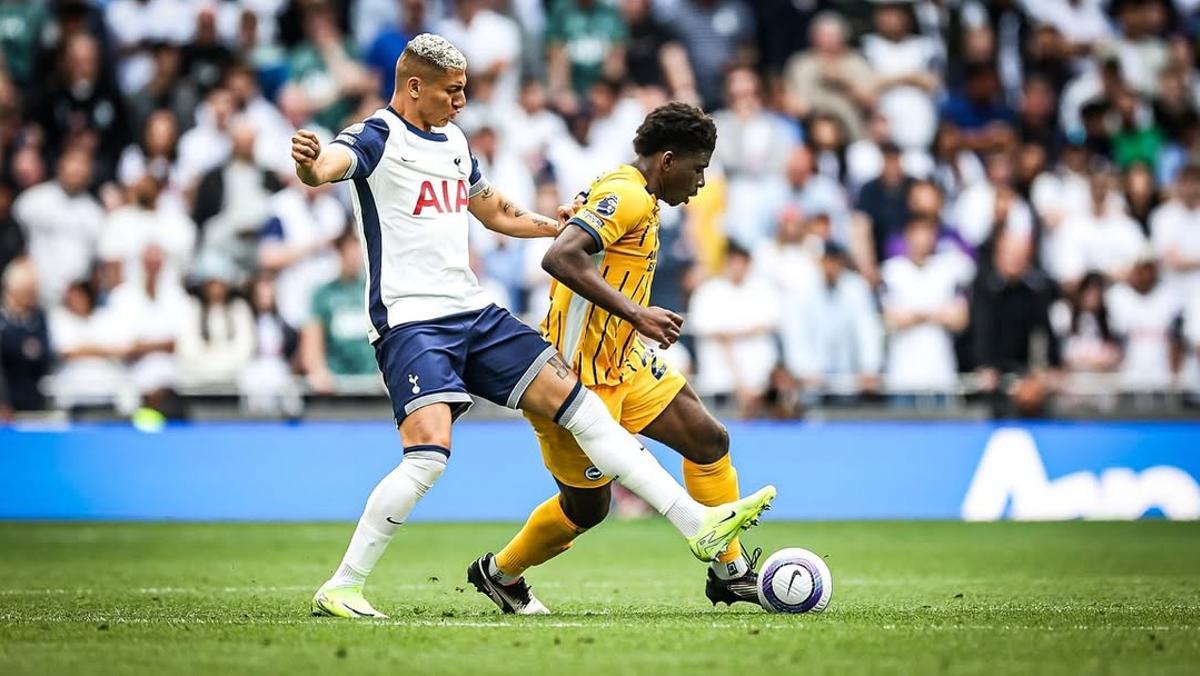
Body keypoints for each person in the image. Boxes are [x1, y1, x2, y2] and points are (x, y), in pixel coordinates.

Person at [291, 35, 774, 619]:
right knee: (428, 459)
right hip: (411, 321)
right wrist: (314, 164)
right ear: (414, 86)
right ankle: (344, 585)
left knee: (577, 403)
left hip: (470, 311)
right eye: (452, 91)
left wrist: (555, 224)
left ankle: (700, 528)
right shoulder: (377, 134)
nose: (462, 102)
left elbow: (496, 212)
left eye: (465, 91)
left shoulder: (455, 142)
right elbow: (331, 167)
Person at [470, 102, 768, 615]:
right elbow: (559, 256)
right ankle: (499, 572)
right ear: (668, 160)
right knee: (588, 509)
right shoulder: (627, 194)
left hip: (625, 365)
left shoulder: (638, 195)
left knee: (708, 438)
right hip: (569, 380)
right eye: (698, 170)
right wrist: (639, 314)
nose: (700, 184)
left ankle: (731, 572)